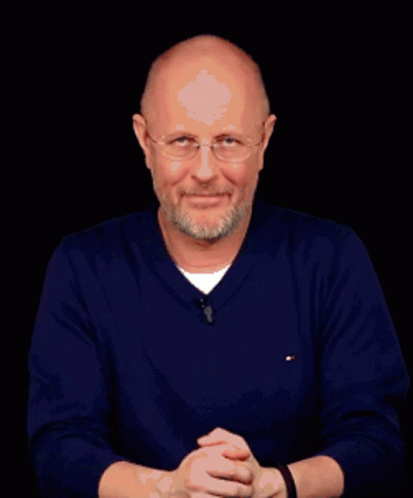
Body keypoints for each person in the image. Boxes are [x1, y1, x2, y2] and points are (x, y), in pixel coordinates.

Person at [27, 34, 409, 498]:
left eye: (228, 141)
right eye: (182, 141)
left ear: (264, 141)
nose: (205, 171)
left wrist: (271, 485)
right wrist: (168, 489)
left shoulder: (332, 258)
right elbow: (58, 447)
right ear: (144, 141)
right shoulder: (83, 266)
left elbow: (378, 445)